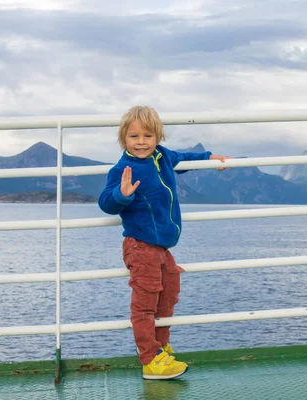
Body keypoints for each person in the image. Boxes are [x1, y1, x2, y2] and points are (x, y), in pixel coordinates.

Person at [98, 106, 229, 380]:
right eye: (134, 136)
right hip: (140, 245)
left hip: (162, 248)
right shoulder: (124, 168)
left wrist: (208, 158)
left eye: (148, 135)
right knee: (145, 304)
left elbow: (182, 158)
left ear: (157, 136)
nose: (141, 142)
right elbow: (106, 203)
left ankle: (161, 347)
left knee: (168, 294)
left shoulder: (162, 156)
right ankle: (150, 358)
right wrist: (121, 195)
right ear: (124, 138)